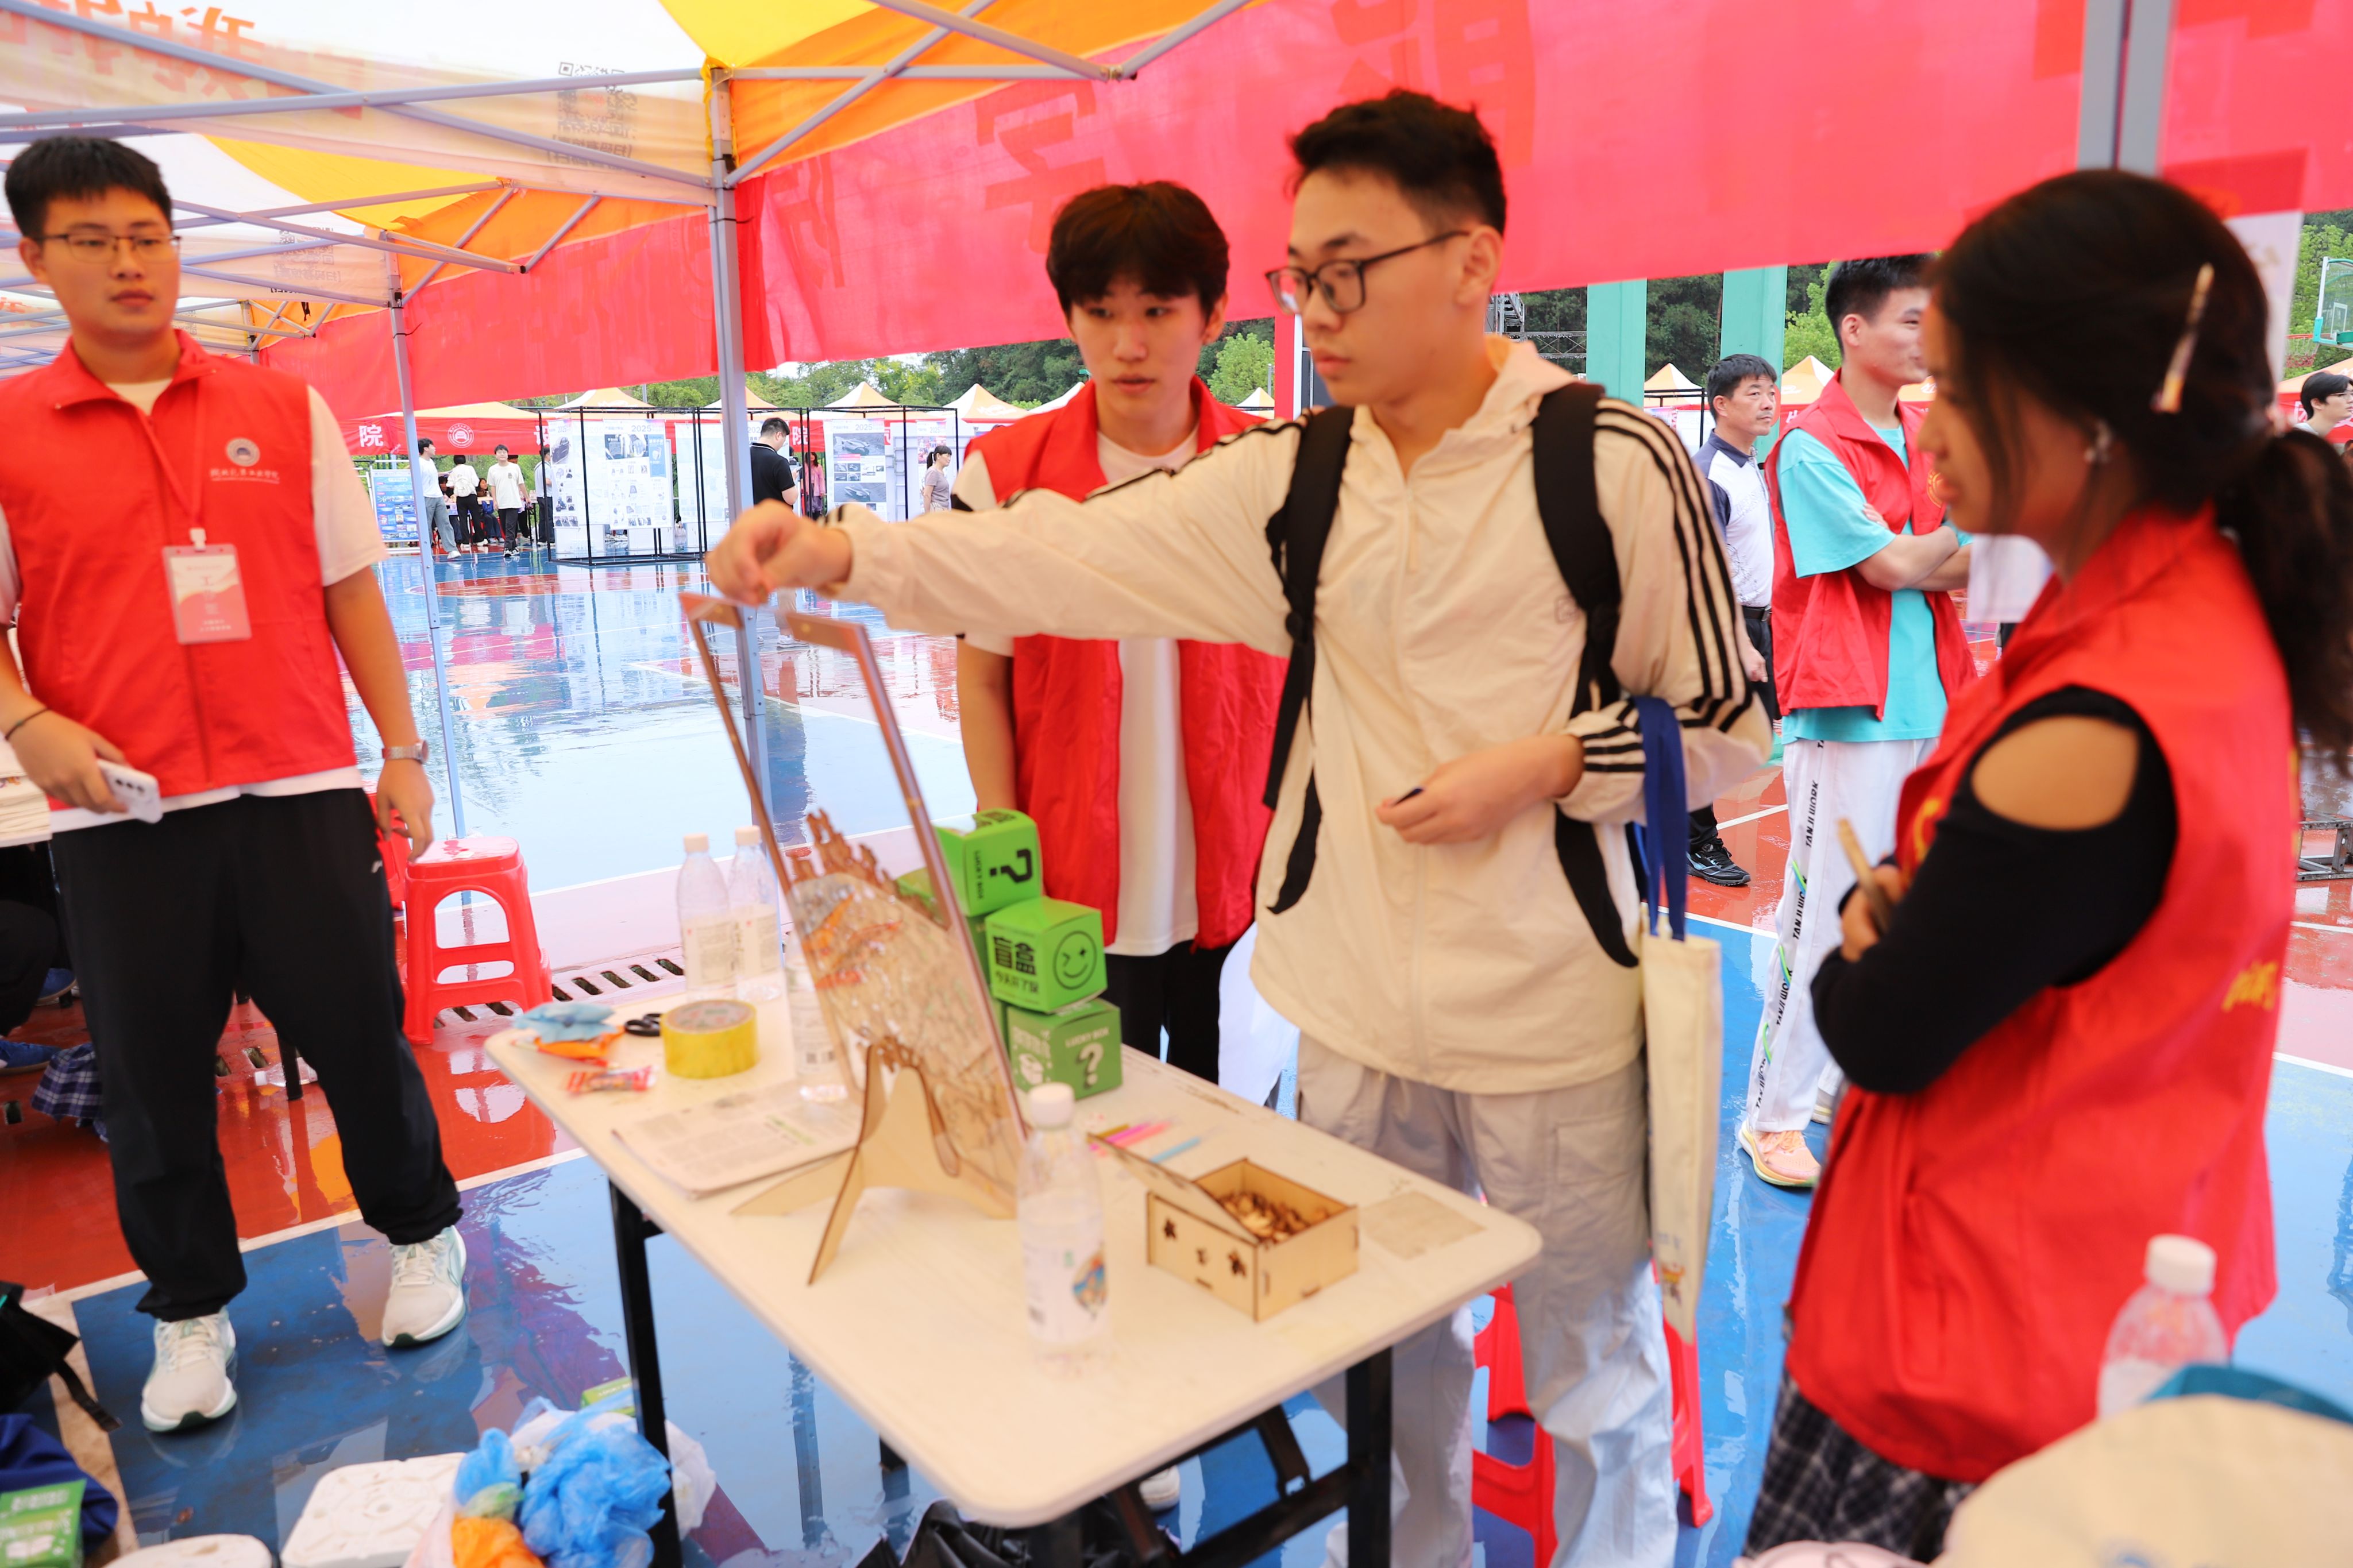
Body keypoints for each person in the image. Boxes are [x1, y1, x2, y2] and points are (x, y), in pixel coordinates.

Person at [709, 89, 1769, 1565]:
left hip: (1549, 1013)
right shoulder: (1300, 478)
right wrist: (839, 551)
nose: (1315, 311)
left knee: (1591, 1371)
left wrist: (1542, 766)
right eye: (1298, 277)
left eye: (1349, 272)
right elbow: (1064, 555)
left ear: (1471, 260)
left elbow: (1726, 724)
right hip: (1349, 1009)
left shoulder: (1607, 463)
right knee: (1377, 1358)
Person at [1743, 168, 2353, 1559]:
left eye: (1959, 388)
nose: (1930, 417)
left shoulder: (2098, 716)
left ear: (2082, 413)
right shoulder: (2205, 614)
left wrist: (1874, 918)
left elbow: (1880, 1027)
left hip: (1971, 1347)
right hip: (2112, 1270)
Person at [0, 136, 466, 1433]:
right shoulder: (8, 432)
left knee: (362, 1039)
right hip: (123, 813)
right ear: (36, 259)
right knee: (149, 1079)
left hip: (300, 788)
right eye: (91, 241)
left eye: (146, 236)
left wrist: (403, 750)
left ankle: (422, 1234)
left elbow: (350, 588)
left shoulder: (283, 407)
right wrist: (27, 718)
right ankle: (190, 1309)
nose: (127, 263)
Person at [951, 180, 1278, 1090]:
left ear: (1214, 314)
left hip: (1236, 877)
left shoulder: (1269, 470)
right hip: (1070, 885)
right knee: (1088, 1121)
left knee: (1227, 1120)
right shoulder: (1006, 476)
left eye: (1158, 310)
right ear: (1070, 317)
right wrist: (1004, 850)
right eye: (1101, 312)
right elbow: (982, 676)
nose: (1129, 343)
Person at [1738, 255, 1972, 1189]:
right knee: (1820, 915)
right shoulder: (1810, 444)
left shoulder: (1919, 433)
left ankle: (1839, 1077)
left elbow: (1947, 565)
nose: (1926, 338)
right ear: (1854, 329)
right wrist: (1961, 532)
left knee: (1899, 908)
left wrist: (1933, 550)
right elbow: (1893, 569)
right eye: (1912, 320)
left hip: (1931, 699)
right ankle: (1772, 1115)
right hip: (1847, 709)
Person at [1687, 352, 1780, 887]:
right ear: (1721, 405)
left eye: (1771, 391)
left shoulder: (1750, 465)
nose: (1768, 402)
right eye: (1754, 393)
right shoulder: (1709, 473)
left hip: (1761, 622)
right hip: (1726, 625)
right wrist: (1738, 643)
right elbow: (1708, 568)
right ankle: (1696, 844)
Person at [415, 437, 457, 556]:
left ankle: (452, 550)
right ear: (426, 449)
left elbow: (431, 475)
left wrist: (443, 474)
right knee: (427, 525)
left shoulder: (431, 462)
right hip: (426, 496)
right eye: (432, 446)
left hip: (438, 496)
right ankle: (427, 551)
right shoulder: (418, 463)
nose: (435, 448)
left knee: (445, 522)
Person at [486, 443, 529, 557]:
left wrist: (527, 497)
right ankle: (514, 548)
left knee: (510, 526)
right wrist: (495, 501)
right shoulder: (492, 470)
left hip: (514, 501)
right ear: (496, 455)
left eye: (504, 452)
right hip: (501, 502)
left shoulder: (515, 468)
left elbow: (521, 484)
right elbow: (493, 487)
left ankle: (507, 548)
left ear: (507, 454)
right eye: (500, 452)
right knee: (505, 527)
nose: (502, 454)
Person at [749, 416, 800, 510]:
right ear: (778, 435)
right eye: (784, 441)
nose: (782, 445)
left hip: (750, 515)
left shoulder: (744, 457)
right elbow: (791, 499)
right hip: (775, 516)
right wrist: (792, 479)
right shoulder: (779, 462)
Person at [445, 453, 484, 553]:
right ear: (464, 460)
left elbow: (449, 484)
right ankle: (480, 540)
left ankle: (466, 542)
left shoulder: (453, 471)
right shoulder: (470, 468)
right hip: (471, 496)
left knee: (462, 520)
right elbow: (476, 482)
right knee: (476, 517)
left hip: (460, 498)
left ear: (455, 461)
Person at [2299, 368, 2351, 434]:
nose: (2351, 400)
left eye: (2352, 394)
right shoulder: (2298, 436)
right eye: (2343, 395)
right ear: (2317, 403)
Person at [919, 444, 954, 512]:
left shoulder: (940, 472)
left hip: (943, 509)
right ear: (938, 456)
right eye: (947, 456)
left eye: (950, 456)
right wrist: (928, 514)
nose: (949, 459)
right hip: (937, 509)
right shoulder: (933, 472)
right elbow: (927, 495)